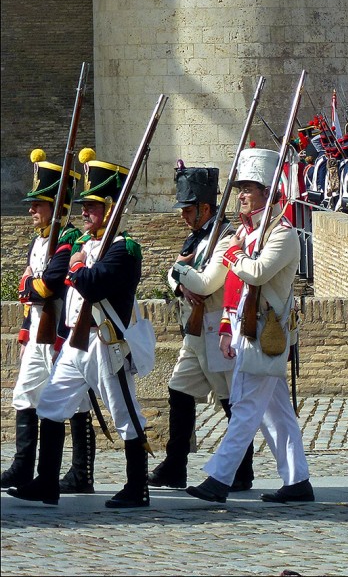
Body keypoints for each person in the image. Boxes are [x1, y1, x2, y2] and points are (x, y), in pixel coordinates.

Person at [9, 148, 149, 508]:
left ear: (112, 208)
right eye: (84, 205)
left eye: (93, 205)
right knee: (51, 406)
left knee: (125, 416)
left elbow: (91, 283)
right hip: (74, 341)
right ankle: (46, 482)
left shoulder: (124, 248)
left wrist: (74, 266)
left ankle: (138, 488)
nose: (84, 212)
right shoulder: (86, 243)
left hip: (104, 343)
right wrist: (78, 262)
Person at [186, 147, 312, 504]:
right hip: (246, 331)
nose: (241, 194)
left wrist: (231, 252)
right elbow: (236, 289)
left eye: (250, 188)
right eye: (240, 188)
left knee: (243, 408)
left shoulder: (283, 234)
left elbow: (256, 272)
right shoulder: (251, 234)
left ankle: (219, 478)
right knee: (278, 415)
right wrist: (226, 325)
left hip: (264, 333)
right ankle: (297, 480)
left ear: (269, 192)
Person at [149, 164, 255, 491]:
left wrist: (181, 273)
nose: (183, 215)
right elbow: (174, 275)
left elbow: (208, 283)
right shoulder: (195, 237)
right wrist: (181, 279)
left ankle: (242, 471)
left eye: (188, 209)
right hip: (196, 330)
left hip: (217, 326)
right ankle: (175, 464)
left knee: (230, 402)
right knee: (178, 390)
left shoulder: (224, 238)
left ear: (205, 209)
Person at [2, 151, 90, 493]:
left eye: (39, 204)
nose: (31, 211)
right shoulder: (38, 243)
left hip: (60, 332)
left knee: (78, 402)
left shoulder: (69, 239)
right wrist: (25, 334)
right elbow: (32, 298)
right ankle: (23, 468)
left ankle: (82, 472)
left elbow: (49, 284)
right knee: (25, 395)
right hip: (37, 332)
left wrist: (28, 285)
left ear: (56, 206)